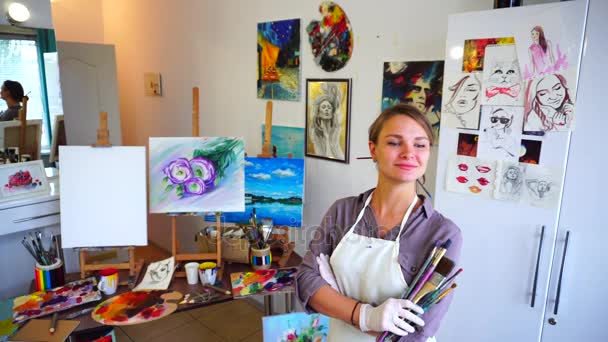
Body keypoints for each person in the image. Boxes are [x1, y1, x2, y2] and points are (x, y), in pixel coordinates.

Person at [297, 104, 463, 341]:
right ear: (373, 149)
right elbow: (306, 281)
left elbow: (418, 330)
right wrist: (366, 316)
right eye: (394, 142)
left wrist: (334, 302)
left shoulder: (443, 234)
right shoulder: (342, 212)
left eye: (420, 144)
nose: (408, 153)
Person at [309, 82, 345, 160]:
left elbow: (337, 103)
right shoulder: (315, 131)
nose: (326, 110)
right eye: (324, 107)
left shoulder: (336, 128)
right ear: (318, 112)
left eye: (329, 107)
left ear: (332, 111)